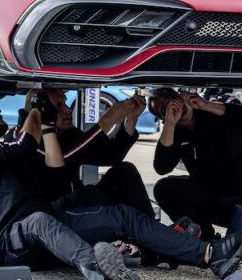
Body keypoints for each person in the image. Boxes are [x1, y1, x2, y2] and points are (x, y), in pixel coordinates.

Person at [0, 100, 242, 280]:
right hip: (9, 245)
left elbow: (58, 162)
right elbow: (23, 145)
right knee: (39, 219)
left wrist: (43, 122)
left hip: (44, 224)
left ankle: (209, 255)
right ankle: (97, 267)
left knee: (118, 212)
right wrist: (34, 113)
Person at [149, 89, 242, 239]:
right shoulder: (176, 132)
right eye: (164, 109)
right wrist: (170, 123)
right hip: (214, 200)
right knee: (164, 188)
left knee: (238, 250)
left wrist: (205, 105)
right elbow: (162, 167)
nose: (173, 107)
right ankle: (204, 237)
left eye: (173, 100)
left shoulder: (215, 113)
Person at [21, 89, 152, 218]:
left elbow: (112, 156)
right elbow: (64, 159)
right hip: (51, 215)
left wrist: (132, 117)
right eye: (58, 105)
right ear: (39, 110)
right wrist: (107, 120)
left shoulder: (67, 134)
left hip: (76, 200)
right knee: (91, 195)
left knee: (124, 171)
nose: (68, 109)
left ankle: (153, 230)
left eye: (65, 103)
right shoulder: (23, 140)